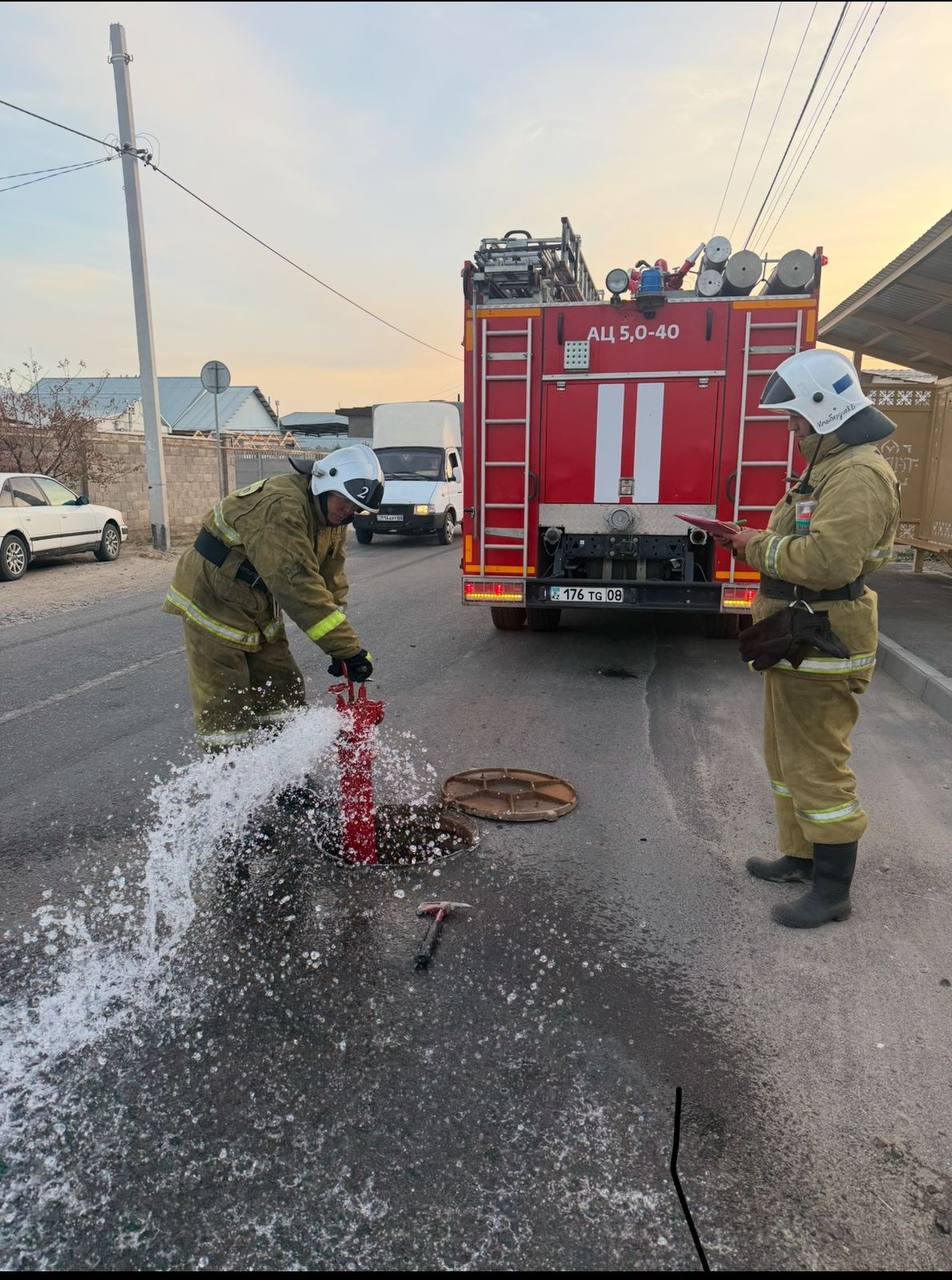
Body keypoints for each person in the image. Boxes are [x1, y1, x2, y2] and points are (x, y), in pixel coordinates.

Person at [719, 349, 900, 928]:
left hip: (823, 641)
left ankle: (831, 891)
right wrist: (752, 540)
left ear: (826, 412)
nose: (793, 432)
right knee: (785, 758)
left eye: (797, 421)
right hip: (799, 636)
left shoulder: (858, 476)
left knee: (818, 763)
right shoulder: (828, 471)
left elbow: (825, 559)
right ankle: (799, 856)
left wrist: (751, 545)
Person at [163, 443, 384, 754]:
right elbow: (298, 586)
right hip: (212, 596)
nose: (348, 513)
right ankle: (229, 788)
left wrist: (341, 647)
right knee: (227, 703)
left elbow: (331, 582)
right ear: (325, 484)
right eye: (345, 503)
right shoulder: (281, 508)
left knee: (282, 688)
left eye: (356, 510)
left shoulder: (330, 519)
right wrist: (346, 649)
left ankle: (286, 779)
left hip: (257, 600)